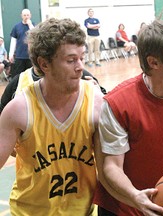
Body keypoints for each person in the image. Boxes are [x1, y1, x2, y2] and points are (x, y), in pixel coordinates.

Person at [94, 19, 163, 215]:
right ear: (153, 62)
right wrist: (135, 196)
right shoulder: (118, 104)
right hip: (123, 207)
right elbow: (112, 166)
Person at [0, 17, 103, 215]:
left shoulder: (96, 101)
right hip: (29, 212)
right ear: (44, 64)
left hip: (83, 211)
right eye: (71, 60)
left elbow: (110, 169)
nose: (80, 66)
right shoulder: (19, 109)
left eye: (82, 57)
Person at [0, 67, 107, 114]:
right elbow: (2, 111)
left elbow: (107, 101)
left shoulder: (79, 74)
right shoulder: (19, 80)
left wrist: (99, 94)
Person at [9, 8, 34, 78]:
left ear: (30, 15)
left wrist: (30, 25)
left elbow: (35, 35)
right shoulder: (16, 27)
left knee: (30, 76)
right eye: (24, 15)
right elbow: (13, 41)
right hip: (19, 56)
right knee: (18, 76)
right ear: (21, 16)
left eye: (28, 15)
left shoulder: (33, 26)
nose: (26, 17)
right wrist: (11, 54)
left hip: (30, 56)